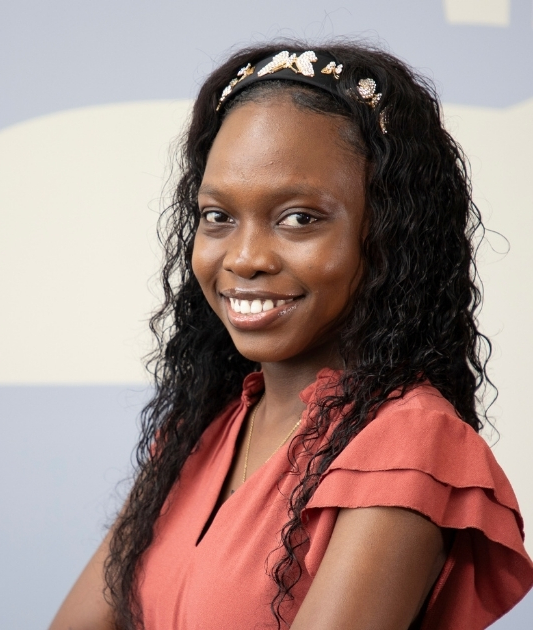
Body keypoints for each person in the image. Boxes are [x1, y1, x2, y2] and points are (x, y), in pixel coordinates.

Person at [49, 41, 533, 630]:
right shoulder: (198, 430)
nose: (245, 257)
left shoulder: (407, 446)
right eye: (218, 216)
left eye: (299, 218)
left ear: (387, 237)